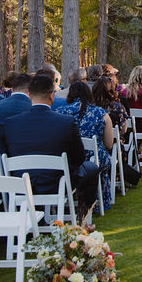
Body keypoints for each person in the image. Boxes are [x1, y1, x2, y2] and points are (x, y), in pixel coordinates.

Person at [0, 73, 100, 218]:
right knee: (92, 168)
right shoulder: (66, 122)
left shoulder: (11, 123)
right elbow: (79, 157)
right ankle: (83, 216)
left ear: (29, 95)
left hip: (22, 183)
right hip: (56, 182)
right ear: (51, 95)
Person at [56, 81, 114, 211]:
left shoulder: (61, 112)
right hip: (94, 158)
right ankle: (98, 202)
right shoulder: (101, 113)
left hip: (69, 159)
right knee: (102, 159)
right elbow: (109, 143)